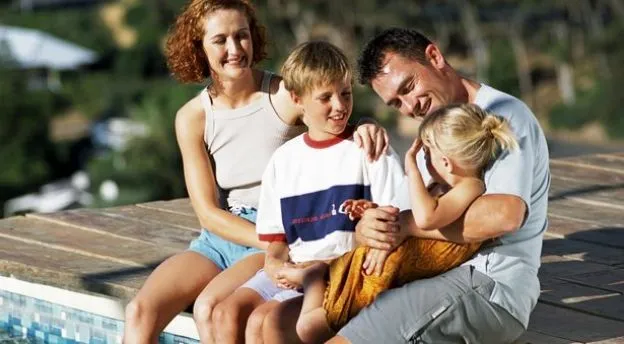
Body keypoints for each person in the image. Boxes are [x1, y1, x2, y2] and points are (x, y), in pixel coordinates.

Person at [122, 2, 389, 343]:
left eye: (242, 36)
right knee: (139, 311)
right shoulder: (192, 117)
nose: (234, 49)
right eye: (220, 40)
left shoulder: (281, 95)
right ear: (199, 48)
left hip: (274, 233)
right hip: (223, 237)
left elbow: (337, 116)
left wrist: (368, 124)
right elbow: (207, 213)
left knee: (209, 308)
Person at [263, 28, 550, 344]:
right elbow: (395, 217)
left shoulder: (501, 116)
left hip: (486, 282)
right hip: (421, 276)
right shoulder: (432, 133)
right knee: (276, 325)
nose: (409, 106)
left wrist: (404, 224)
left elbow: (504, 216)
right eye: (396, 103)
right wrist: (369, 228)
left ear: (434, 57)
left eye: (409, 87)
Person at [211, 41, 406, 344]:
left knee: (265, 322)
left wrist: (318, 270)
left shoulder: (369, 149)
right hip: (296, 269)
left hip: (340, 273)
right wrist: (275, 263)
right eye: (325, 97)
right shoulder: (284, 160)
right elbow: (276, 239)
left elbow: (394, 226)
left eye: (346, 93)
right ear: (296, 98)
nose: (340, 106)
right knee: (226, 313)